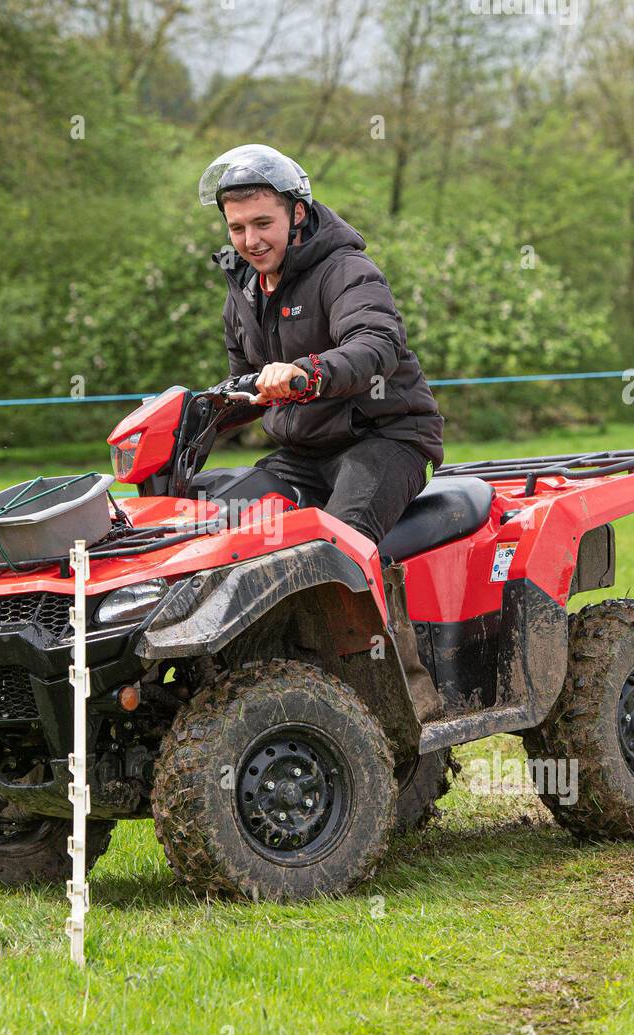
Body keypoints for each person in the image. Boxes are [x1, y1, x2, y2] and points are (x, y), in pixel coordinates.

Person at [200, 143, 446, 722]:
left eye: (263, 223)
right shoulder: (242, 292)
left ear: (298, 215)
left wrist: (311, 373)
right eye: (237, 227)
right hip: (303, 450)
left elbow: (377, 345)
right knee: (223, 529)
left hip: (386, 438)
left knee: (337, 547)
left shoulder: (346, 271)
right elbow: (245, 383)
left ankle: (409, 699)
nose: (251, 239)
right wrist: (196, 411)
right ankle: (257, 687)